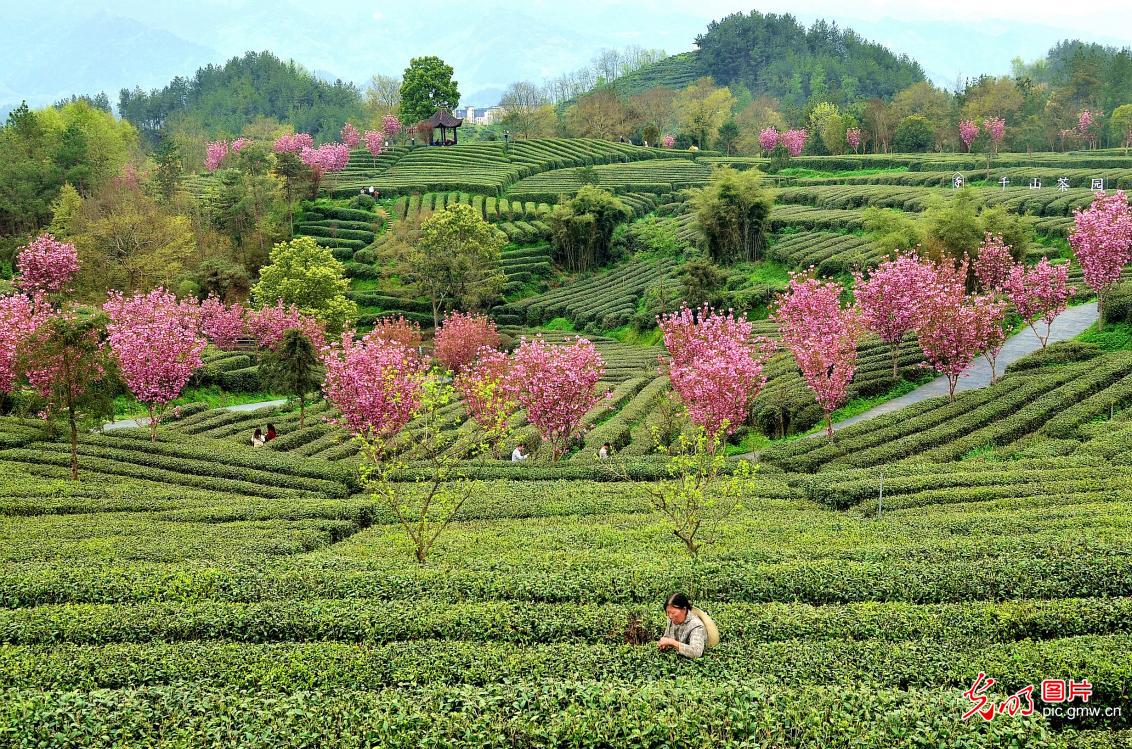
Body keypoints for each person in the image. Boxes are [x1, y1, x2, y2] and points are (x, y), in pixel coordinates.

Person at [657, 593, 706, 659]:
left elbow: (696, 652)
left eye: (673, 613)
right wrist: (664, 644)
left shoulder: (696, 625)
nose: (670, 616)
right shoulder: (671, 619)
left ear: (684, 609)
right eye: (668, 612)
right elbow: (667, 636)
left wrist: (672, 643)